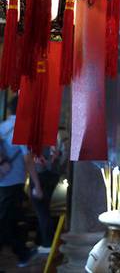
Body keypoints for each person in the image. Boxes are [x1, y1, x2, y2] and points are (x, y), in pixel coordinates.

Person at [0, 96, 43, 268]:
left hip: (3, 181)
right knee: (5, 222)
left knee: (10, 219)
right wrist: (37, 185)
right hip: (13, 181)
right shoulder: (21, 129)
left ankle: (23, 253)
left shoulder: (3, 126)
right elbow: (27, 159)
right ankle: (23, 253)